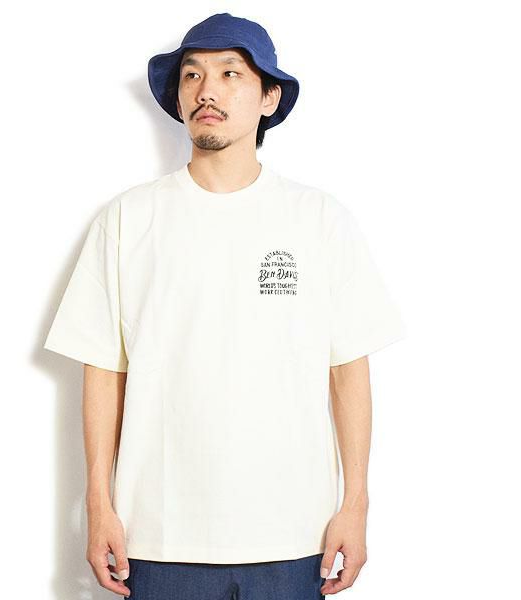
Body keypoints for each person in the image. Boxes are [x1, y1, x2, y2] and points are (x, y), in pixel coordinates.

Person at [43, 12, 406, 600]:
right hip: (157, 538)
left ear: (269, 97)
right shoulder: (130, 219)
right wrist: (98, 504)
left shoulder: (318, 220)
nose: (206, 90)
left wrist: (356, 504)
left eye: (230, 74)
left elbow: (348, 369)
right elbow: (103, 369)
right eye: (192, 75)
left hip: (296, 536)